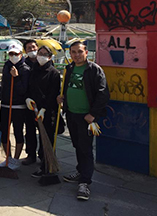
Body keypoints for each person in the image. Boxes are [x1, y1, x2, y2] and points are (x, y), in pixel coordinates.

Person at [57, 40, 109, 201]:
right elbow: (67, 87)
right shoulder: (69, 68)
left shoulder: (94, 70)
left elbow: (103, 94)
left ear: (86, 53)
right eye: (73, 52)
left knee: (85, 148)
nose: (77, 55)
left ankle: (85, 182)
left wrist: (92, 114)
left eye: (80, 52)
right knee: (77, 145)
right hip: (71, 114)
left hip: (86, 117)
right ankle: (81, 170)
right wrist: (62, 97)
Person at [28, 46, 61, 178]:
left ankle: (47, 165)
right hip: (33, 108)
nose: (41, 56)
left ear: (50, 56)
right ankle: (41, 159)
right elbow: (30, 87)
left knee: (46, 137)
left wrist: (44, 108)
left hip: (46, 111)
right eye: (39, 53)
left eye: (44, 54)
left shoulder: (54, 73)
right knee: (33, 134)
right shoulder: (34, 70)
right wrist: (28, 98)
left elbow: (53, 93)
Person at [0, 43, 31, 171]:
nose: (13, 56)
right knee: (4, 132)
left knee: (18, 132)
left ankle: (16, 159)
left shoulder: (25, 69)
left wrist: (16, 78)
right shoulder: (7, 66)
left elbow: (23, 89)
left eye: (16, 54)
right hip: (6, 104)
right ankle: (8, 157)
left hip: (19, 105)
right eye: (11, 54)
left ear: (21, 54)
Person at [23, 39, 39, 166]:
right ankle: (31, 154)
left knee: (45, 130)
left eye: (33, 47)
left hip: (43, 103)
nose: (32, 50)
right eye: (29, 48)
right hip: (28, 103)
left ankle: (45, 154)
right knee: (29, 130)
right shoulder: (24, 64)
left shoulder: (45, 62)